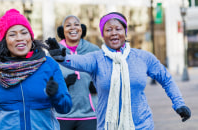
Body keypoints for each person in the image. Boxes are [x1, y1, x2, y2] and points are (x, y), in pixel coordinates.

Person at [45, 12, 191, 130]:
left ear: (125, 32)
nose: (114, 33)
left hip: (142, 126)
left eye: (118, 29)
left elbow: (166, 79)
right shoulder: (96, 58)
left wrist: (179, 103)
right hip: (108, 126)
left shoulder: (143, 57)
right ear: (103, 35)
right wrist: (62, 57)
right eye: (108, 30)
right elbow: (77, 61)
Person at [0, 8, 72, 130]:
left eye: (24, 32)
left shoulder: (48, 65)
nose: (19, 38)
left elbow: (65, 107)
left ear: (31, 37)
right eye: (12, 34)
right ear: (4, 41)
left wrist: (56, 94)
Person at [47, 15, 100, 130]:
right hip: (62, 114)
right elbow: (46, 82)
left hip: (90, 114)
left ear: (82, 29)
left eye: (76, 24)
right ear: (62, 31)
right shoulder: (54, 52)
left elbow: (105, 74)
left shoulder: (94, 50)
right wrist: (63, 84)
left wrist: (97, 84)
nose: (73, 28)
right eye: (68, 25)